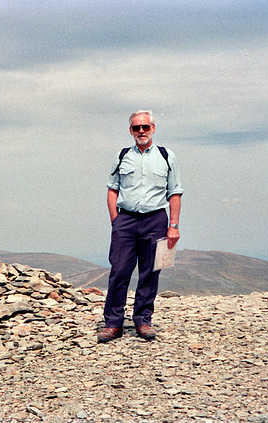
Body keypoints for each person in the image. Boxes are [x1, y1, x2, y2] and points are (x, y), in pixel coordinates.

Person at [98, 110, 183, 343]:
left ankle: (143, 320)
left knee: (150, 272)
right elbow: (112, 189)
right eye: (137, 128)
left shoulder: (167, 156)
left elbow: (174, 192)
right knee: (118, 271)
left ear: (153, 128)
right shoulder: (122, 155)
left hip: (156, 220)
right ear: (131, 131)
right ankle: (113, 323)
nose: (141, 131)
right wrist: (116, 220)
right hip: (125, 220)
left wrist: (173, 225)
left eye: (145, 127)